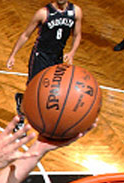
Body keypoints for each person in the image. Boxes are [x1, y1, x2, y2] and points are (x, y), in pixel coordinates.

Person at [6, 0, 83, 129]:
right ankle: (20, 119)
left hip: (57, 56)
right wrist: (12, 55)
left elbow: (77, 34)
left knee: (51, 91)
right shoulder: (43, 13)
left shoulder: (76, 12)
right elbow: (26, 35)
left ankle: (42, 117)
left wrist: (72, 53)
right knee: (33, 91)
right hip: (40, 55)